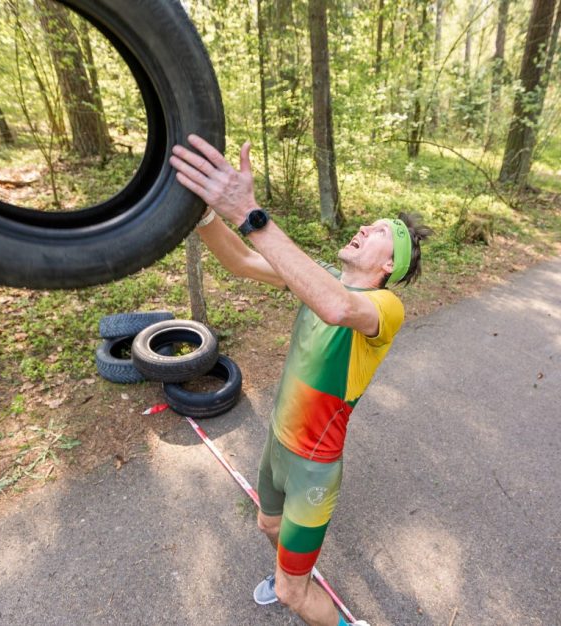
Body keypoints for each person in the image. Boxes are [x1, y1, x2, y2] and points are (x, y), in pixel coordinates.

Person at [171, 134, 431, 626]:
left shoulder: (383, 308)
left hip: (314, 466)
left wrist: (249, 211)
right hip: (278, 446)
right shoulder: (322, 278)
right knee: (267, 522)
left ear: (388, 264)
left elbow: (337, 307)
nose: (362, 226)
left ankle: (318, 605)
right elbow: (242, 261)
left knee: (293, 595)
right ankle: (291, 572)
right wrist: (204, 213)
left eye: (376, 231)